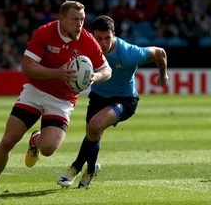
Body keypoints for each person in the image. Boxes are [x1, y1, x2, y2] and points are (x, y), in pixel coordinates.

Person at [0, 1, 112, 201]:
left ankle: (36, 139)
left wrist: (95, 77)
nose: (79, 24)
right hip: (36, 91)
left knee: (47, 149)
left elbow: (107, 70)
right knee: (9, 139)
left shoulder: (88, 41)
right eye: (74, 19)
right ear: (61, 20)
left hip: (62, 100)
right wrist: (57, 73)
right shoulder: (45, 33)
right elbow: (26, 68)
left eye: (82, 19)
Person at [57, 15, 169, 189]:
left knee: (94, 126)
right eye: (98, 38)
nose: (103, 43)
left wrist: (163, 76)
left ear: (114, 34)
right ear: (92, 35)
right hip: (98, 97)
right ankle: (91, 169)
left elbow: (159, 53)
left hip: (124, 100)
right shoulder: (86, 45)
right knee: (93, 134)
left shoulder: (128, 53)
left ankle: (75, 168)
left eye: (107, 38)